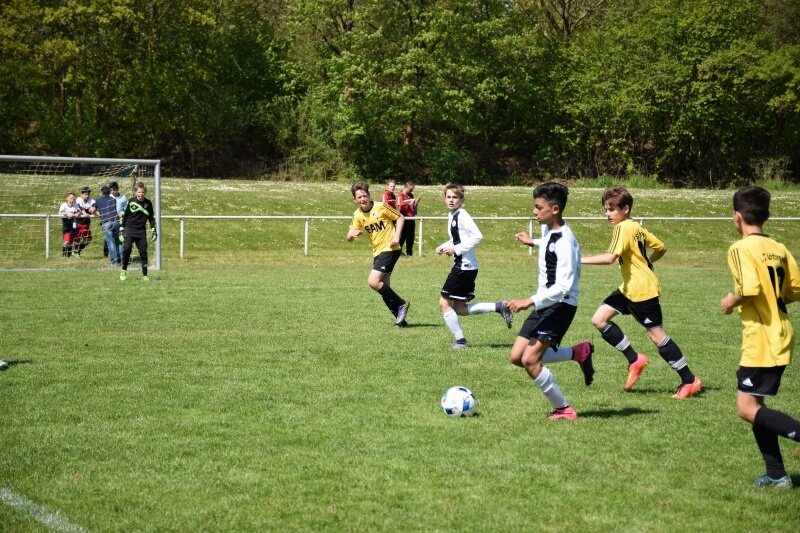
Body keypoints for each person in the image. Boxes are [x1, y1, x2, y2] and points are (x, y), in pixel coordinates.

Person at [581, 185, 702, 398]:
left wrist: (577, 260)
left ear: (625, 208)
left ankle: (689, 380)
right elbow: (661, 248)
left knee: (656, 335)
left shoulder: (623, 228)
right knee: (599, 319)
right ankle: (635, 359)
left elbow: (610, 258)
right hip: (629, 288)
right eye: (606, 209)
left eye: (612, 209)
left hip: (642, 291)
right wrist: (648, 264)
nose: (608, 214)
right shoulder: (636, 227)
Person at [720, 186, 800, 489]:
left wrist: (730, 301)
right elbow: (795, 289)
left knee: (747, 409)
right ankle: (777, 475)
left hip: (762, 337)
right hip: (782, 332)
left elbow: (750, 289)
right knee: (757, 406)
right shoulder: (779, 247)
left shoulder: (740, 248)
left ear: (737, 216)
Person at [505, 183, 593, 420]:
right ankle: (578, 352)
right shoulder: (548, 229)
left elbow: (564, 286)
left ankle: (564, 409)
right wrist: (532, 241)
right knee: (517, 357)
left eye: (538, 207)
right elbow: (548, 244)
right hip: (545, 302)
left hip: (561, 305)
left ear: (554, 209)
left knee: (530, 361)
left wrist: (528, 301)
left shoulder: (566, 242)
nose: (534, 211)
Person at [436, 183, 512, 349]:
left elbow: (478, 236)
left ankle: (461, 341)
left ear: (462, 200)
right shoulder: (453, 215)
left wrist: (456, 249)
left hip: (464, 266)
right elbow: (458, 239)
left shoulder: (462, 215)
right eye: (448, 197)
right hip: (465, 265)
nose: (451, 200)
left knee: (444, 303)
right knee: (460, 309)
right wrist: (444, 246)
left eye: (455, 197)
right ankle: (498, 306)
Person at [346, 181, 411, 326]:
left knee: (373, 281)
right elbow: (348, 237)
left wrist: (396, 236)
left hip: (390, 248)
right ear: (355, 199)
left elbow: (400, 217)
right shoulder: (357, 215)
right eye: (359, 197)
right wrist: (352, 235)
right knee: (383, 287)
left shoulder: (381, 206)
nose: (362, 199)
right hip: (377, 252)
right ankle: (400, 320)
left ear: (369, 195)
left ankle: (401, 303)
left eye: (364, 195)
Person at [119, 181, 157, 281]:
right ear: (135, 192)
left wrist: (154, 230)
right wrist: (121, 230)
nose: (141, 194)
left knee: (143, 252)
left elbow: (151, 218)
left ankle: (145, 275)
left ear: (145, 192)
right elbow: (124, 216)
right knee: (127, 249)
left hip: (141, 231)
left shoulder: (148, 203)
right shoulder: (130, 201)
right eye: (139, 192)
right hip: (129, 229)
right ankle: (123, 270)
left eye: (142, 192)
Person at [95, 186, 121, 266]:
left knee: (110, 242)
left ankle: (114, 261)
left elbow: (92, 209)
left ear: (102, 192)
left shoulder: (98, 200)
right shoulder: (113, 199)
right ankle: (121, 260)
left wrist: (97, 211)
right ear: (110, 192)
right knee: (118, 242)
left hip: (106, 222)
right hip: (116, 221)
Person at [104, 181, 128, 258]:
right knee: (109, 239)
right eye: (111, 190)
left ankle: (120, 256)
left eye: (114, 190)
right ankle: (106, 254)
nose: (112, 192)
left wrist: (122, 214)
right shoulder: (108, 197)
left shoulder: (123, 198)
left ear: (117, 189)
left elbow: (126, 209)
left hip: (119, 221)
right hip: (109, 220)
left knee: (119, 239)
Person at [397, 181, 420, 256]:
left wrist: (416, 203)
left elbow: (413, 207)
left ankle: (409, 252)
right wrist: (409, 202)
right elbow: (400, 207)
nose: (411, 191)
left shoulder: (411, 195)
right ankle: (398, 251)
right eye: (410, 190)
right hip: (404, 218)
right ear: (405, 187)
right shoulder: (400, 195)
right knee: (402, 236)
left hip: (411, 218)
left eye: (412, 190)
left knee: (411, 237)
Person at [74, 186, 96, 256]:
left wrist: (95, 211)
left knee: (88, 239)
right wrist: (84, 213)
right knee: (77, 238)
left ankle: (76, 251)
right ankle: (75, 252)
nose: (87, 196)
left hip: (86, 222)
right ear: (81, 194)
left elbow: (93, 208)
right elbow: (81, 208)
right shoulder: (78, 200)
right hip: (78, 222)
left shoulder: (91, 200)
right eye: (85, 194)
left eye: (88, 194)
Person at [58, 192, 82, 258]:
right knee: (67, 241)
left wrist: (77, 214)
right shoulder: (64, 205)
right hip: (66, 225)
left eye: (73, 199)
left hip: (73, 225)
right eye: (71, 198)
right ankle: (63, 255)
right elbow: (60, 213)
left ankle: (68, 256)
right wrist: (67, 214)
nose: (72, 200)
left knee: (71, 242)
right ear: (67, 198)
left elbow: (79, 211)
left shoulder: (76, 205)